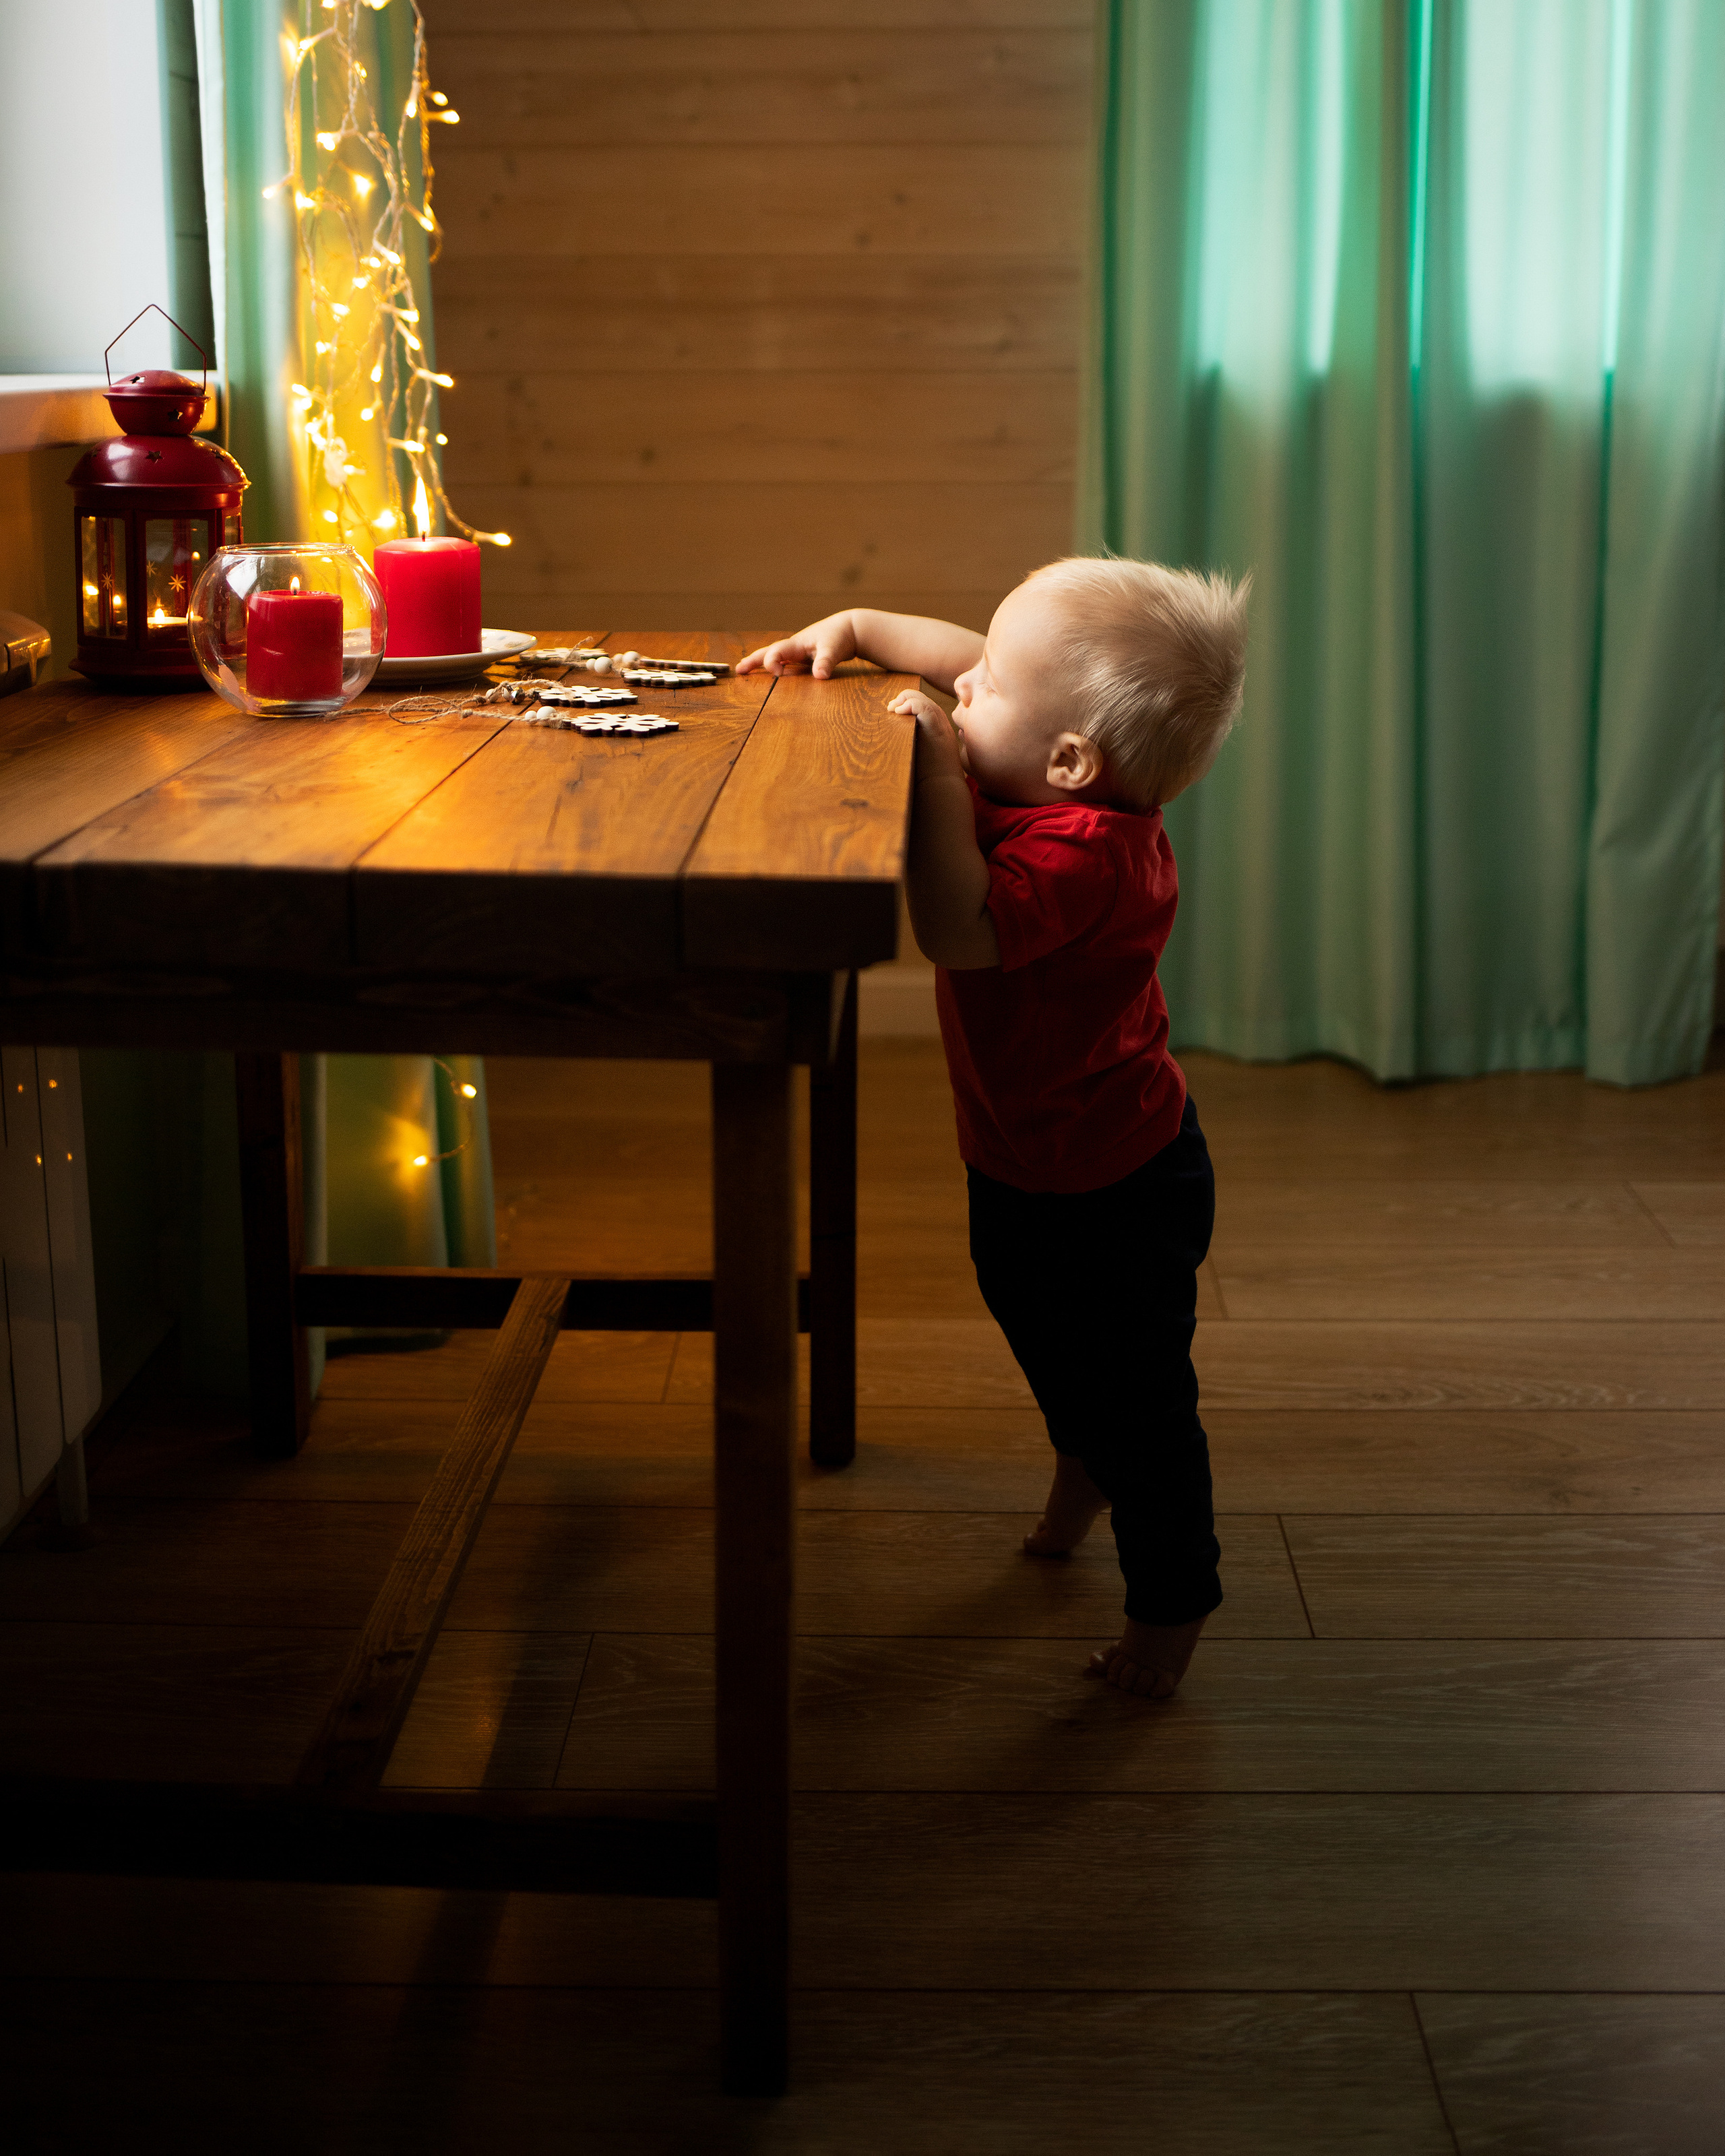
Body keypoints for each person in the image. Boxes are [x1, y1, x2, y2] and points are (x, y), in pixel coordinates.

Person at [737, 559, 1250, 1699]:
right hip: (1026, 1157)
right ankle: (1084, 1460)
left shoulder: (1091, 855)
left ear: (1072, 762)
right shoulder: (1046, 758)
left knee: (1145, 1402)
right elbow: (960, 653)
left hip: (1117, 1184)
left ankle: (1171, 1606)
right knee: (1027, 1311)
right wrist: (860, 620)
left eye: (989, 686)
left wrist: (929, 764)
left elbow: (959, 928)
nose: (963, 684)